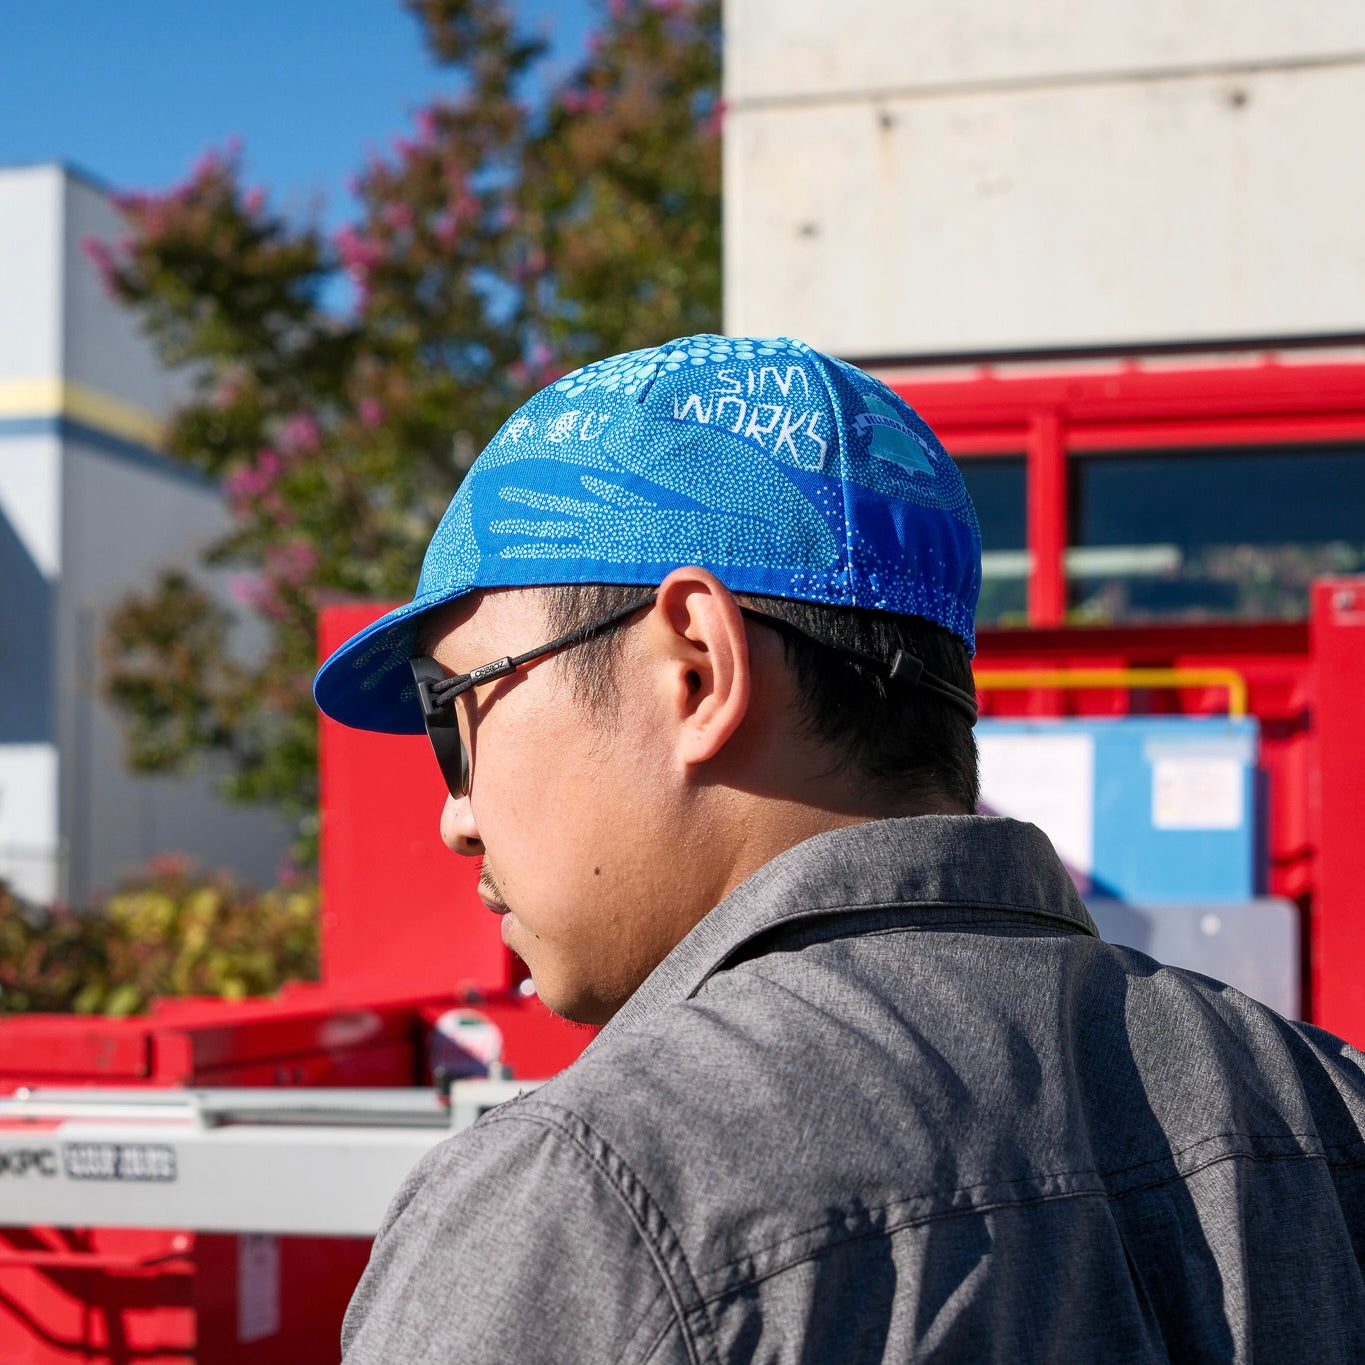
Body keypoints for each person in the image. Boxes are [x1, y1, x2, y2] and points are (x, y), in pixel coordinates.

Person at [314, 335, 1365, 1363]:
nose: (457, 815)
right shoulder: (1324, 1104)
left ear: (696, 669)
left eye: (453, 715)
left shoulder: (587, 1199)